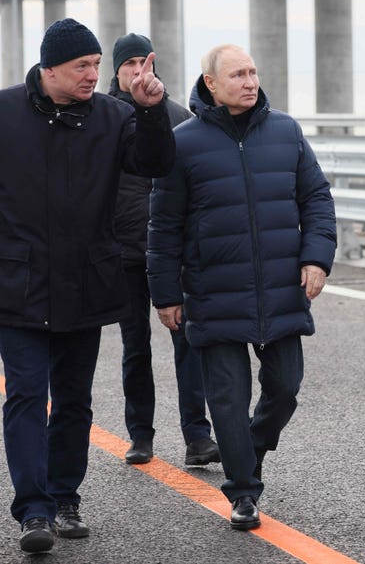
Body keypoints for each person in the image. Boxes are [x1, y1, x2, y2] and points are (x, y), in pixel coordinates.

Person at [0, 18, 176, 554]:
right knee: (27, 395)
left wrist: (149, 110)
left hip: (86, 280)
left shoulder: (114, 115)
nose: (93, 75)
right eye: (82, 66)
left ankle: (65, 497)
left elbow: (156, 163)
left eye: (98, 65)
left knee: (73, 400)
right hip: (18, 279)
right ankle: (33, 510)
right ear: (48, 68)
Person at [147, 44, 336, 531]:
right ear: (210, 83)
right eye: (238, 74)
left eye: (253, 72)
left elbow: (316, 198)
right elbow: (163, 226)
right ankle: (244, 493)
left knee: (286, 387)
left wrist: (316, 257)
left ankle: (248, 451)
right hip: (214, 291)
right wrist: (166, 294)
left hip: (279, 288)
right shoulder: (183, 142)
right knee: (227, 398)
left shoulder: (286, 132)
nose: (250, 81)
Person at [108, 33, 219, 467]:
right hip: (124, 253)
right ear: (115, 70)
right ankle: (140, 435)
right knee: (135, 346)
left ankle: (197, 437)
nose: (137, 70)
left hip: (173, 252)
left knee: (188, 342)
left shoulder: (178, 117)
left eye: (143, 61)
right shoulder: (103, 118)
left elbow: (199, 183)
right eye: (128, 63)